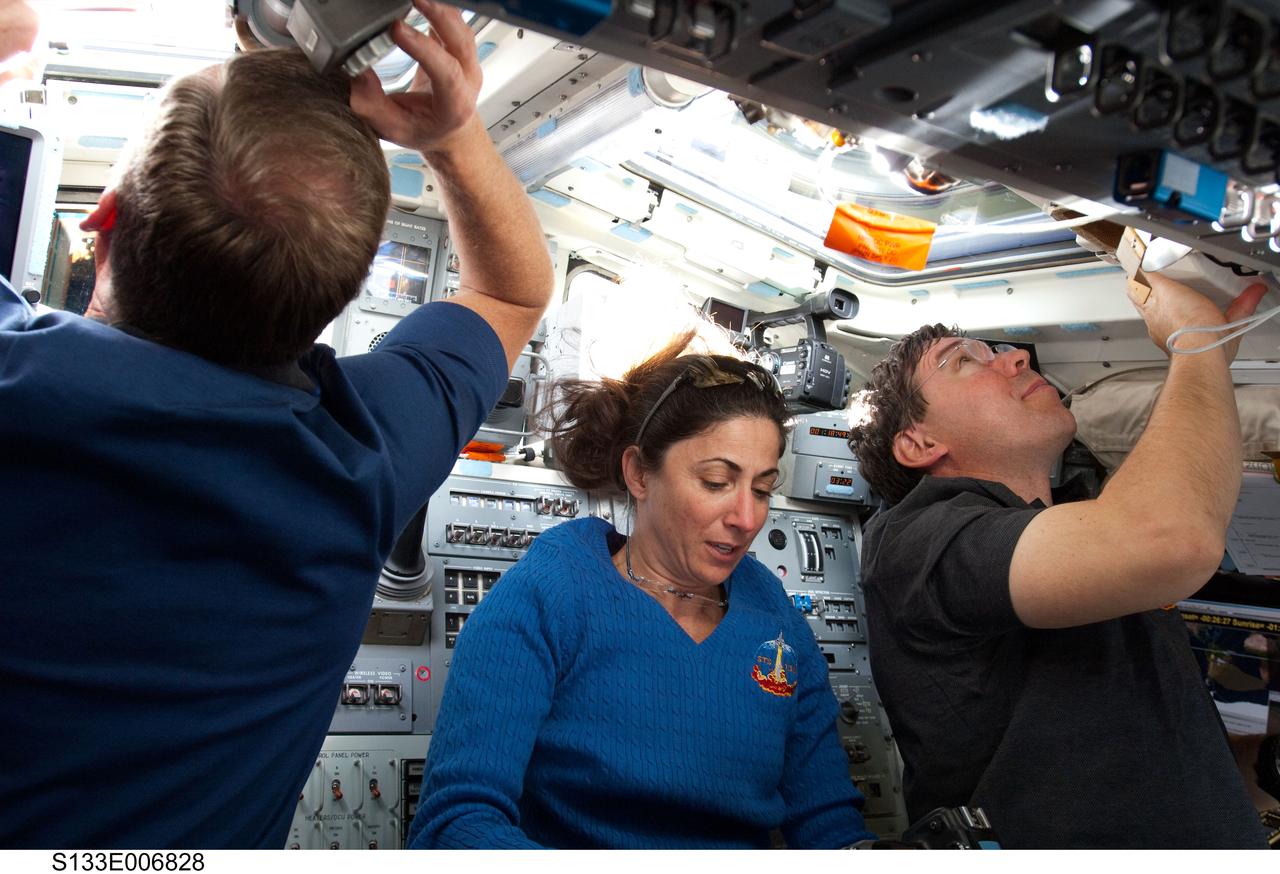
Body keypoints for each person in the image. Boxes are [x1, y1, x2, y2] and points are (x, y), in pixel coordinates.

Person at [0, 0, 553, 848]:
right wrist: (449, 136)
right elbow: (513, 289)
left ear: (99, 222)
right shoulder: (364, 458)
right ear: (340, 298)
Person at [847, 270, 1272, 848]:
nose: (1016, 357)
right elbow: (1173, 540)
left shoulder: (1082, 527)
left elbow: (1160, 773)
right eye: (963, 362)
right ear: (919, 444)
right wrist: (1197, 345)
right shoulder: (918, 540)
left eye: (997, 349)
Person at [408, 335, 876, 848]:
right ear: (639, 473)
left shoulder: (775, 619)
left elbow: (827, 821)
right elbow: (456, 824)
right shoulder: (549, 595)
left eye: (762, 490)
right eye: (717, 482)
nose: (747, 518)